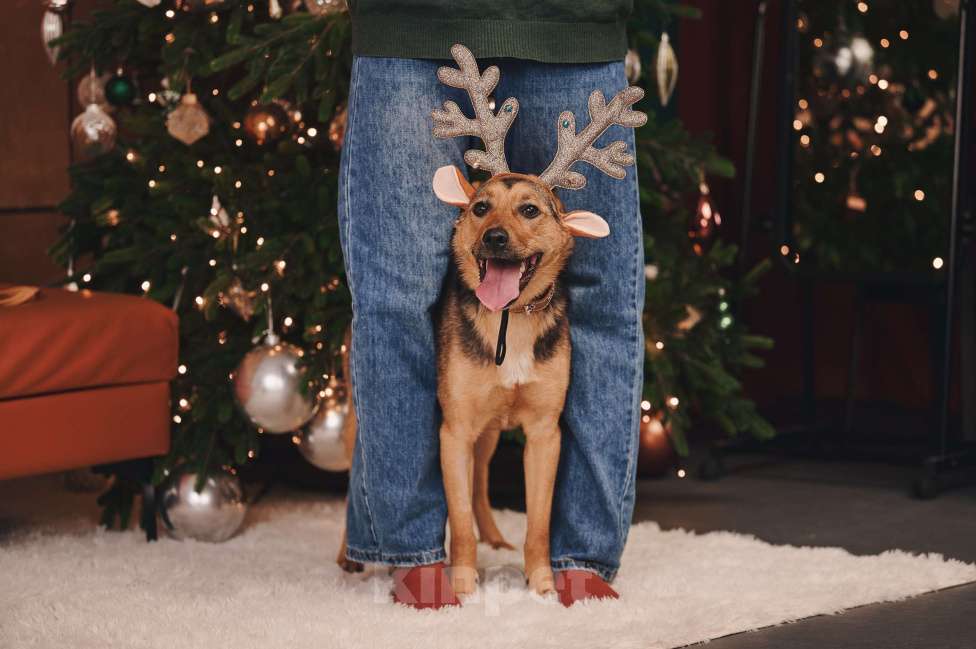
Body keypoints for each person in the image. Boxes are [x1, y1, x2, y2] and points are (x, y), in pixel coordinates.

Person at [338, 0, 644, 609]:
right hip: (412, 24)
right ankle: (414, 547)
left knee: (602, 295)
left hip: (572, 25)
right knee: (395, 296)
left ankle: (580, 550)